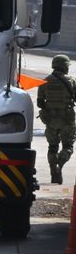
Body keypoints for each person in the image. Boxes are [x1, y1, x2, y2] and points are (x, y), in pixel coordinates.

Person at [37, 54, 76, 184]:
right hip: (67, 120)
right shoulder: (71, 81)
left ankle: (54, 169)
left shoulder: (44, 81)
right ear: (65, 66)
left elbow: (40, 103)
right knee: (68, 146)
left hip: (51, 120)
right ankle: (59, 164)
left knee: (52, 147)